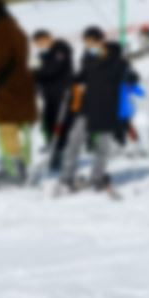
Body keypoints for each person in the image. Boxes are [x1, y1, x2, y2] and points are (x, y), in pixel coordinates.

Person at [59, 26, 127, 192]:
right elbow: (83, 75)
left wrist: (129, 75)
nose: (88, 46)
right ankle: (67, 177)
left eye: (91, 42)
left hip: (106, 107)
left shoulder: (117, 58)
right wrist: (70, 79)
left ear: (101, 40)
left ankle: (98, 177)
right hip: (88, 106)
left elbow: (125, 75)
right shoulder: (87, 57)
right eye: (86, 43)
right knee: (74, 140)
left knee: (103, 146)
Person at [0, 0, 38, 185]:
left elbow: (0, 58)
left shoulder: (1, 30)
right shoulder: (15, 28)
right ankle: (22, 167)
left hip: (8, 88)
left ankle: (13, 171)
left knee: (7, 128)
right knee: (19, 129)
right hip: (21, 85)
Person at [31, 29, 74, 158]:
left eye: (41, 42)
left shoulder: (61, 50)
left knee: (60, 122)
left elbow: (52, 69)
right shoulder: (40, 55)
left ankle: (61, 149)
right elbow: (33, 72)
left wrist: (37, 71)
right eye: (37, 44)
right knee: (48, 121)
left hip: (62, 92)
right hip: (48, 94)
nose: (39, 46)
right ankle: (53, 145)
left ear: (49, 38)